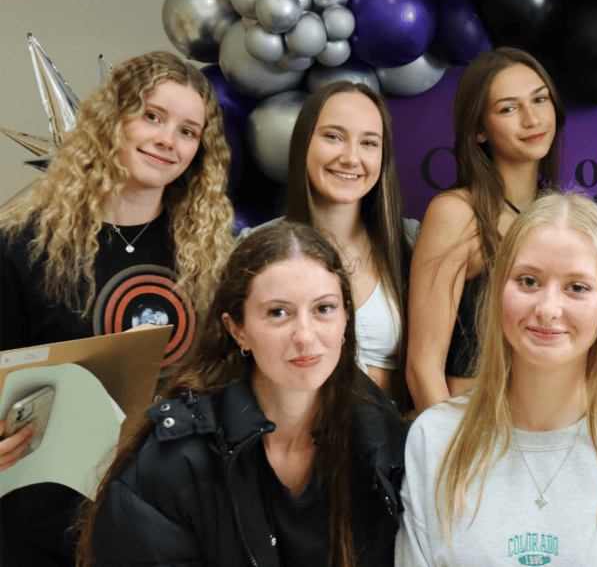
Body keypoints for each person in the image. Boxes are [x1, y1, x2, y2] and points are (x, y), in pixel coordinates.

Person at [0, 51, 234, 566]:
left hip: (171, 524)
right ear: (111, 121)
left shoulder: (213, 257)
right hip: (43, 526)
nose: (167, 141)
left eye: (188, 131)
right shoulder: (23, 245)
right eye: (152, 116)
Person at [396, 193, 597, 566]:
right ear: (499, 291)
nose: (548, 309)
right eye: (528, 281)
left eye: (577, 288)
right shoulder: (435, 438)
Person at [74, 221, 408, 567]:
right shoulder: (176, 459)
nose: (306, 337)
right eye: (278, 313)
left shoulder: (379, 432)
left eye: (324, 308)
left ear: (346, 320)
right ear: (238, 331)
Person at [405, 48, 565, 412]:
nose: (532, 118)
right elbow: (422, 367)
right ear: (479, 129)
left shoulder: (561, 212)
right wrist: (450, 458)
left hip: (549, 429)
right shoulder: (457, 213)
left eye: (540, 99)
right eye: (508, 108)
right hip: (474, 425)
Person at [279, 81, 416, 403]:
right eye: (333, 137)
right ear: (304, 143)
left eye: (369, 143)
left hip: (393, 437)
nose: (351, 158)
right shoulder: (260, 247)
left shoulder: (413, 242)